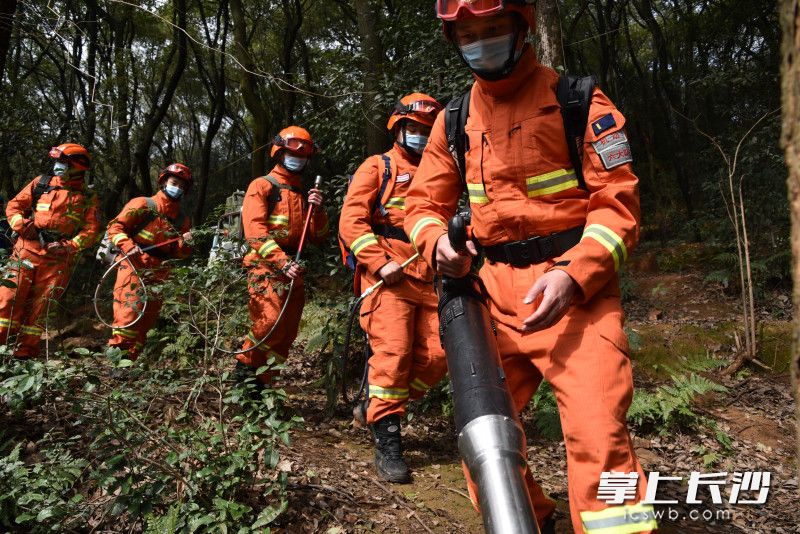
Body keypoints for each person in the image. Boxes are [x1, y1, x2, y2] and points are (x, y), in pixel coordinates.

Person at [403, 1, 657, 532]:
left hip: (574, 296)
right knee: (485, 449)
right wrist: (434, 245)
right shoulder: (454, 119)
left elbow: (618, 204)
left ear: (522, 28)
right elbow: (422, 206)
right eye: (469, 34)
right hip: (489, 297)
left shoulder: (578, 100)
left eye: (493, 29)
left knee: (598, 440)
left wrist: (574, 274)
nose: (481, 42)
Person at [339, 93, 447, 483]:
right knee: (394, 354)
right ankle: (387, 441)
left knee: (438, 356)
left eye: (426, 130)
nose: (419, 135)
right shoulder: (377, 167)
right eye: (413, 128)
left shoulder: (441, 170)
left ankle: (379, 403)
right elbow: (351, 222)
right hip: (388, 276)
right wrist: (380, 263)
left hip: (431, 275)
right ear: (398, 127)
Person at [235, 126, 328, 384]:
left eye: (302, 155)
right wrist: (281, 261)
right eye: (291, 153)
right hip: (265, 266)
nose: (297, 159)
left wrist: (318, 211)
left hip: (294, 269)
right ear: (280, 152)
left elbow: (319, 237)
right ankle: (244, 374)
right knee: (269, 322)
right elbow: (254, 232)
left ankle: (266, 384)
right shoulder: (262, 186)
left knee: (287, 331)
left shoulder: (303, 194)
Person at [0, 143, 100, 358]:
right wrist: (20, 224)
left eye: (63, 162)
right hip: (25, 250)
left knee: (42, 307)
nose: (58, 166)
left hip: (57, 259)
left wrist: (70, 246)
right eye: (57, 161)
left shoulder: (88, 196)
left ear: (77, 167)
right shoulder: (41, 183)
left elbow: (91, 230)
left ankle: (24, 354)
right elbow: (14, 206)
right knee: (8, 297)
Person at [106, 163, 193, 361]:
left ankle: (130, 362)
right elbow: (115, 227)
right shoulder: (143, 204)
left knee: (147, 319)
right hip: (133, 264)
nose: (177, 188)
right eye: (174, 183)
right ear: (164, 182)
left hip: (160, 271)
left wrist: (186, 245)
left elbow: (179, 254)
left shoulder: (182, 220)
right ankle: (117, 362)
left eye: (181, 186)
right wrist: (128, 246)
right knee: (129, 313)